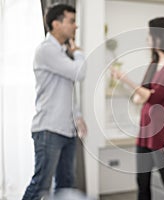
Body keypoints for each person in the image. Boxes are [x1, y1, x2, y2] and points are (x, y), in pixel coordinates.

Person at [111, 17, 164, 200]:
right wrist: (143, 93)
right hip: (145, 132)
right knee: (142, 182)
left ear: (161, 36)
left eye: (150, 35)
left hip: (163, 133)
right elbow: (141, 96)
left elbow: (155, 96)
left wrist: (125, 79)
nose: (148, 40)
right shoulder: (154, 63)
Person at [22, 3, 87, 200]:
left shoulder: (60, 52)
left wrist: (77, 116)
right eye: (72, 21)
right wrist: (78, 51)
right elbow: (79, 72)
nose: (76, 26)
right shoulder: (46, 50)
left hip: (66, 129)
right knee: (40, 186)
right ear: (56, 24)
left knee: (66, 186)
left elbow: (66, 91)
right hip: (49, 130)